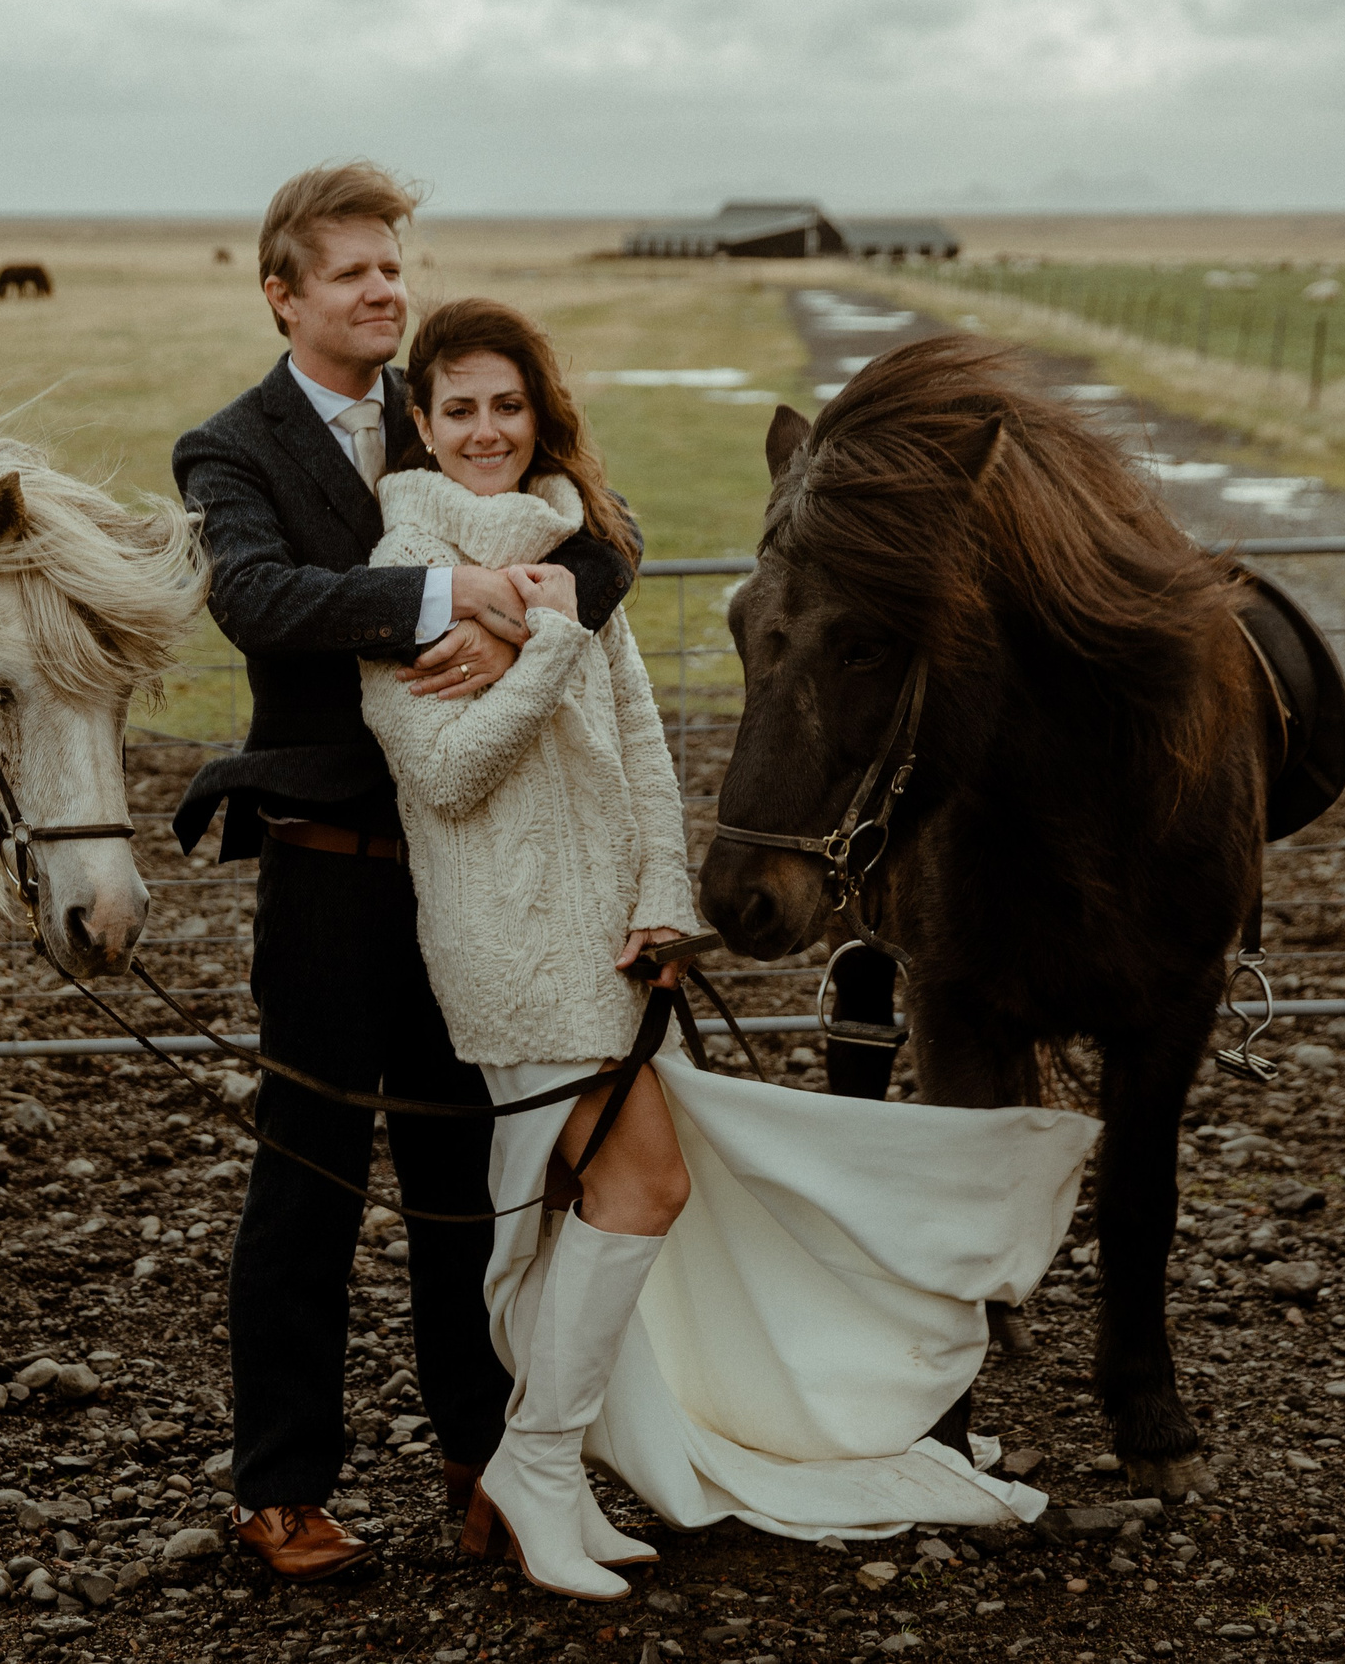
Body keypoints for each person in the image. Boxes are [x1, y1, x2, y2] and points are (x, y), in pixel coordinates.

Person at [356, 297, 1103, 1601]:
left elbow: (644, 749)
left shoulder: (577, 548)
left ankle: (546, 1474)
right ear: (420, 421)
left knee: (621, 1199)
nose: (486, 430)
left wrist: (664, 904)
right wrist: (548, 637)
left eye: (507, 405)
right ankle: (533, 1469)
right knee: (616, 1197)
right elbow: (449, 774)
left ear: (540, 416)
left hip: (605, 940)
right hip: (504, 936)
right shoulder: (404, 570)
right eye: (458, 408)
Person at [168, 164, 641, 1582]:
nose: (385, 289)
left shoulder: (449, 408)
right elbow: (257, 598)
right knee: (305, 1184)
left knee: (468, 1179)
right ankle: (281, 1490)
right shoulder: (230, 448)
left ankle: (487, 1461)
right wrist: (454, 595)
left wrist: (521, 622)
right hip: (330, 875)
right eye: (353, 271)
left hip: (474, 872)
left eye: (394, 265)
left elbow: (608, 541)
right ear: (282, 295)